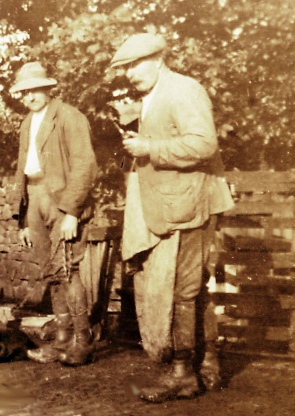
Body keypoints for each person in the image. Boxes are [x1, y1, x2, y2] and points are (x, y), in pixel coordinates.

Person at [110, 33, 234, 403]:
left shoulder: (182, 89)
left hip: (189, 204)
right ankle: (208, 364)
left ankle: (183, 374)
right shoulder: (154, 96)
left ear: (158, 58)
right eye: (125, 68)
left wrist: (149, 147)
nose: (130, 74)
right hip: (174, 203)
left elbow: (203, 144)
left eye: (135, 64)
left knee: (182, 289)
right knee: (190, 287)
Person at [9, 62, 99, 366]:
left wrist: (71, 212)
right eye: (23, 92)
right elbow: (22, 169)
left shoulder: (70, 117)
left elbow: (84, 166)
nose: (28, 96)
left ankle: (82, 341)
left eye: (33, 89)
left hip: (60, 199)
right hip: (35, 197)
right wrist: (22, 216)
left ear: (48, 88)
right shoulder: (26, 123)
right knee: (51, 271)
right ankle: (61, 339)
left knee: (67, 269)